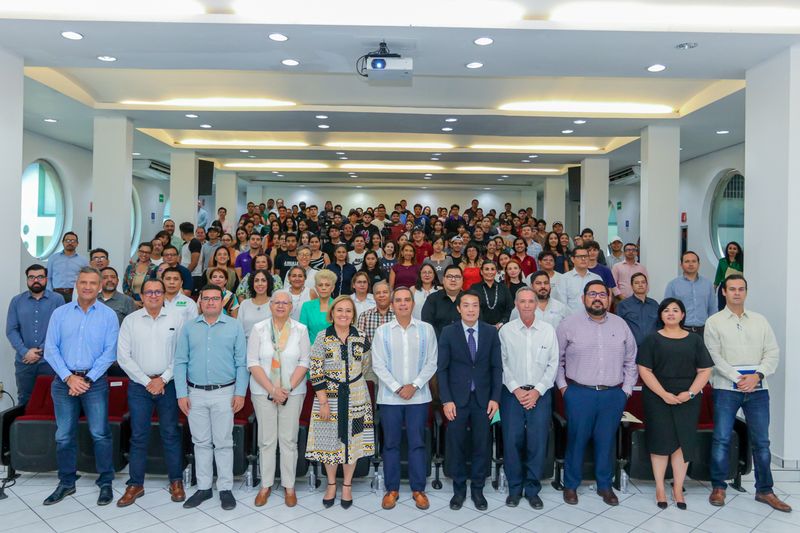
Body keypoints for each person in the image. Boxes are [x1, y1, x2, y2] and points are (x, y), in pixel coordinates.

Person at [705, 275, 790, 512]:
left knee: (762, 442)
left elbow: (772, 352)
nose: (736, 293)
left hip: (758, 390)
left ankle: (765, 491)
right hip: (726, 389)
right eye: (732, 289)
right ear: (724, 292)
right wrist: (738, 379)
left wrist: (757, 376)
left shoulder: (760, 321)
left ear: (746, 292)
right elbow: (714, 356)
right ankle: (719, 487)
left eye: (741, 289)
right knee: (721, 438)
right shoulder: (714, 322)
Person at [555, 280, 637, 507]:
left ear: (610, 299)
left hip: (613, 395)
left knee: (606, 440)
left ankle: (605, 485)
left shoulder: (621, 325)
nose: (598, 298)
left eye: (603, 294)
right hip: (579, 393)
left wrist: (626, 391)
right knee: (577, 440)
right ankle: (571, 485)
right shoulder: (568, 324)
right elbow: (557, 359)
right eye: (592, 294)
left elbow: (631, 360)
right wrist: (564, 388)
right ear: (583, 298)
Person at [42, 267, 119, 506]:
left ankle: (105, 482)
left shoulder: (108, 315)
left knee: (100, 434)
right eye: (83, 282)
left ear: (99, 286)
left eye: (92, 283)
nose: (87, 287)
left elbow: (110, 353)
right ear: (76, 284)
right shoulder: (60, 313)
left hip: (94, 384)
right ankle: (66, 482)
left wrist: (86, 380)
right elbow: (50, 349)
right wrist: (68, 378)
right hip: (63, 383)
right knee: (63, 435)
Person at [174, 284, 248, 511]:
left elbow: (242, 363)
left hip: (225, 392)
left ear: (222, 301)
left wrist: (239, 393)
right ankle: (204, 487)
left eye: (215, 299)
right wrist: (181, 394)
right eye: (206, 299)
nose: (210, 302)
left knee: (224, 442)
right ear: (199, 302)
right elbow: (180, 362)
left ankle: (225, 488)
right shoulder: (188, 328)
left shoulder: (235, 326)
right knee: (201, 442)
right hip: (195, 393)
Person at [637, 297, 714, 510]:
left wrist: (690, 393)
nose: (671, 313)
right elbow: (644, 370)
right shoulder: (652, 339)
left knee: (683, 442)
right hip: (657, 396)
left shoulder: (695, 340)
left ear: (682, 315)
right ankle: (660, 487)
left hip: (687, 398)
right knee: (660, 442)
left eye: (675, 310)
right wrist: (663, 394)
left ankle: (678, 488)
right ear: (660, 315)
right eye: (666, 310)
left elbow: (705, 370)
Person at [115, 279, 186, 507]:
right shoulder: (130, 321)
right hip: (139, 386)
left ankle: (175, 481)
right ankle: (135, 484)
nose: (153, 295)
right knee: (138, 436)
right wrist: (148, 381)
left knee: (171, 434)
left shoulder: (177, 318)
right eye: (149, 292)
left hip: (169, 384)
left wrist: (163, 378)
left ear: (164, 295)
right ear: (142, 296)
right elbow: (123, 357)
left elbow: (182, 354)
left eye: (158, 291)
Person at [372, 287, 438, 511]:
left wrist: (415, 385)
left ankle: (418, 489)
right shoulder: (382, 332)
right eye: (397, 300)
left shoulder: (426, 330)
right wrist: (398, 388)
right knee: (390, 444)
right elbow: (377, 364)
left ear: (413, 303)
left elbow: (432, 362)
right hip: (390, 398)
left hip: (418, 397)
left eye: (406, 300)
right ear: (392, 305)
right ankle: (392, 489)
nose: (402, 304)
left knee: (417, 443)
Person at [306, 296, 375, 509]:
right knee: (328, 443)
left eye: (348, 311)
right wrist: (324, 401)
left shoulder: (361, 336)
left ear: (353, 315)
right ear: (332, 313)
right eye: (339, 310)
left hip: (356, 396)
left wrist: (351, 382)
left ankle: (347, 485)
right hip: (328, 398)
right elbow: (316, 370)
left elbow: (365, 366)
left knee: (352, 443)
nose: (344, 314)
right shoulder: (322, 337)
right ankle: (331, 484)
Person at [437, 291, 502, 511]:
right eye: (466, 305)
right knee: (456, 445)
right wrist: (446, 400)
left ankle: (477, 489)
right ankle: (458, 490)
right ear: (459, 308)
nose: (471, 309)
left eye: (475, 305)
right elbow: (442, 369)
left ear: (479, 308)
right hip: (456, 400)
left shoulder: (491, 332)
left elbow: (496, 368)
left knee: (482, 445)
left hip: (483, 400)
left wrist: (495, 398)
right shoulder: (448, 332)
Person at [247, 290, 310, 508]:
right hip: (262, 390)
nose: (281, 306)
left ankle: (289, 486)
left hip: (292, 391)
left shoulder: (300, 330)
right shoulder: (259, 329)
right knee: (266, 440)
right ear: (270, 306)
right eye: (277, 303)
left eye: (286, 303)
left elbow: (304, 361)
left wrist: (286, 388)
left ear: (292, 307)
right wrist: (272, 389)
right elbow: (253, 362)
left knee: (288, 440)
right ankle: (265, 485)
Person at [500, 287, 559, 509]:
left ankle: (533, 489)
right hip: (512, 394)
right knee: (512, 442)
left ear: (536, 304)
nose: (526, 305)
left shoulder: (547, 330)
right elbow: (502, 363)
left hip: (540, 395)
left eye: (530, 301)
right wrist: (516, 389)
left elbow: (553, 363)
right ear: (516, 304)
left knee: (537, 442)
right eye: (522, 301)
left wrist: (537, 391)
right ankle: (515, 489)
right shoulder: (506, 331)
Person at [6, 264, 64, 405]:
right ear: (27, 279)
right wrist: (25, 352)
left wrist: (40, 351)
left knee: (51, 400)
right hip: (24, 361)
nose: (35, 280)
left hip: (50, 361)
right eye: (31, 277)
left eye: (40, 277)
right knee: (25, 400)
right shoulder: (16, 301)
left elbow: (61, 329)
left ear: (46, 279)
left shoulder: (57, 300)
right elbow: (11, 330)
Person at [664, 251, 716, 335]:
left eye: (694, 261)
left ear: (698, 264)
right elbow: (667, 309)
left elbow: (713, 308)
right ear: (681, 265)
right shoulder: (673, 285)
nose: (691, 264)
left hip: (704, 330)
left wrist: (712, 328)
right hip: (681, 329)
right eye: (687, 261)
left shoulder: (708, 284)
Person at [617, 273, 659, 346]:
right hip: (632, 349)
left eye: (643, 282)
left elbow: (660, 325)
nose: (640, 285)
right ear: (632, 286)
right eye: (636, 283)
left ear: (647, 285)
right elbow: (618, 328)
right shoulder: (623, 305)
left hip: (654, 347)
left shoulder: (654, 304)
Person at [421, 264, 463, 337]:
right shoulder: (432, 299)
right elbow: (427, 325)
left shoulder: (470, 299)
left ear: (462, 280)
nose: (453, 280)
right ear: (443, 280)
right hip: (439, 344)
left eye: (457, 277)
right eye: (449, 276)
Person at [557, 246, 602, 313]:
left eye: (586, 256)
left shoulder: (597, 278)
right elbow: (562, 304)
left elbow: (601, 300)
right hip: (571, 320)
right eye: (579, 256)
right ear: (572, 259)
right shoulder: (564, 279)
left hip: (594, 319)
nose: (583, 259)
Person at [47, 231, 89, 303]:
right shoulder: (53, 258)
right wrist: (50, 293)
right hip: (57, 293)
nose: (70, 243)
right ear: (63, 242)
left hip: (75, 293)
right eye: (67, 240)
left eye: (73, 241)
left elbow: (86, 278)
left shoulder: (83, 260)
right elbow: (48, 277)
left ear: (77, 243)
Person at [299, 268, 336, 343]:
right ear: (316, 287)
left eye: (327, 285)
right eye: (320, 285)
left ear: (332, 288)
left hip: (335, 350)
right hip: (311, 350)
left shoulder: (339, 306)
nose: (323, 288)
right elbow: (302, 333)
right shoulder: (307, 306)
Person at [474, 261, 513, 328]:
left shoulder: (503, 287)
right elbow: (472, 309)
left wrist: (502, 322)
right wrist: (484, 325)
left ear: (496, 271)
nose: (490, 272)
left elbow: (510, 307)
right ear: (481, 272)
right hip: (480, 327)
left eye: (492, 269)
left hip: (502, 328)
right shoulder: (474, 288)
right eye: (486, 269)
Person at [237, 269, 274, 338]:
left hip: (268, 345)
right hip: (247, 346)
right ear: (252, 283)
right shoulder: (244, 304)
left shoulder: (274, 303)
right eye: (256, 280)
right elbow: (239, 329)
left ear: (268, 283)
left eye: (263, 280)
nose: (260, 283)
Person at [713, 241, 743, 311]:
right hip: (724, 286)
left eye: (734, 249)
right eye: (730, 248)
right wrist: (714, 287)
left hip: (736, 287)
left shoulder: (741, 263)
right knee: (722, 308)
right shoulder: (722, 261)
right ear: (727, 250)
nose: (732, 250)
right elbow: (718, 274)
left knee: (734, 307)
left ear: (738, 251)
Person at [179, 222, 203, 293]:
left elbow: (194, 263)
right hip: (185, 275)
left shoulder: (195, 243)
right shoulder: (185, 244)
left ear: (182, 232)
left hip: (194, 276)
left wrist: (185, 274)